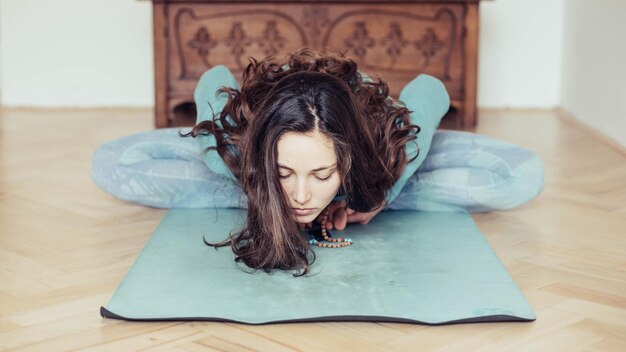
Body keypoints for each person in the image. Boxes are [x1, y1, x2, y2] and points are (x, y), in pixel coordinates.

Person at [182, 47, 422, 276]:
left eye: (322, 175)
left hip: (354, 93)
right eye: (283, 173)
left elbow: (429, 87)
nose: (301, 196)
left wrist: (378, 197)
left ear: (350, 163)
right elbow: (216, 74)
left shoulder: (385, 142)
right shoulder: (227, 152)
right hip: (275, 88)